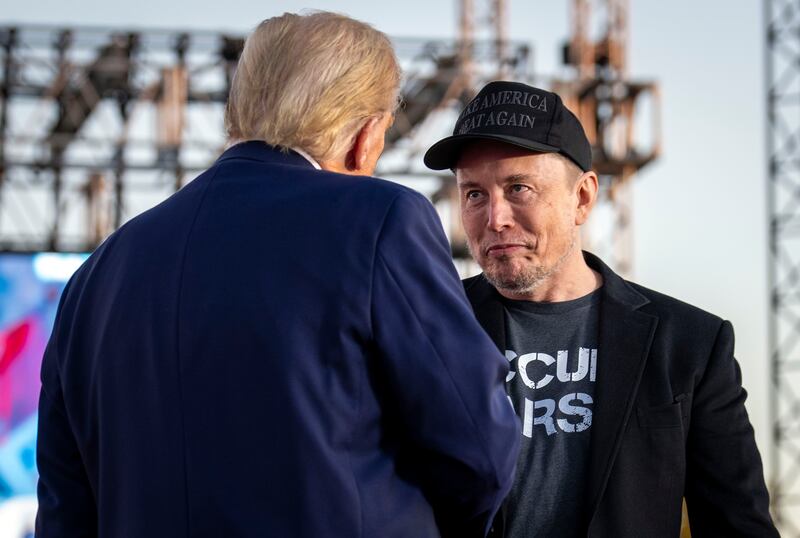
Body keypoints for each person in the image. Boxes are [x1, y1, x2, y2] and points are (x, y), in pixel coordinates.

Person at [35, 13, 520, 538]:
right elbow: (478, 449)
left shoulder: (96, 276)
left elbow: (65, 509)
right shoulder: (379, 221)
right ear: (363, 135)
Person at [424, 80, 778, 538]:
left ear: (583, 197)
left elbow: (738, 525)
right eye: (474, 194)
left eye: (519, 188)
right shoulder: (429, 328)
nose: (495, 218)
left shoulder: (689, 344)